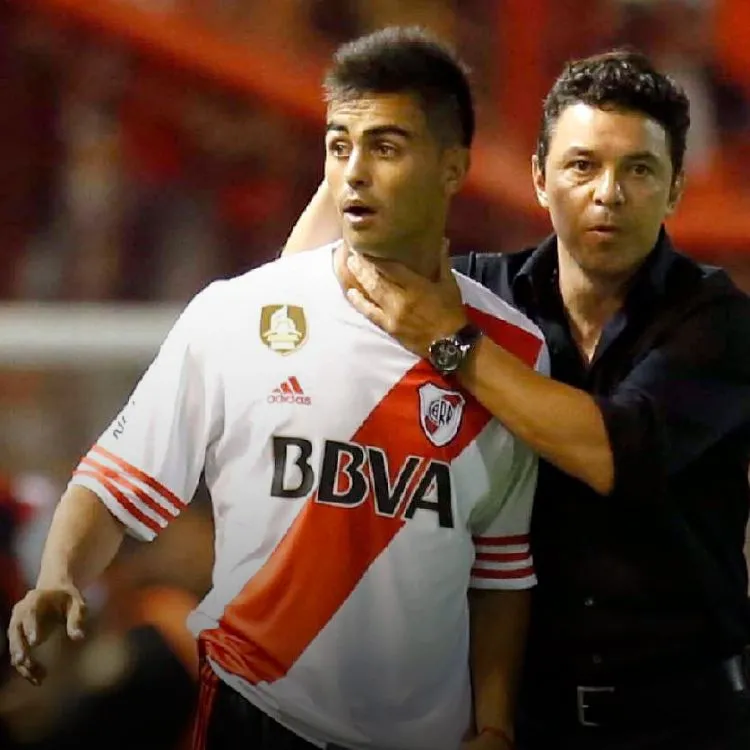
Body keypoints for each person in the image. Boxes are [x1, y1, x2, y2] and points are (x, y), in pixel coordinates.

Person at [7, 27, 549, 750]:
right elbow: (116, 478)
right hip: (251, 711)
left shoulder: (515, 353)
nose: (355, 171)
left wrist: (494, 721)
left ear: (453, 168)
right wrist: (59, 574)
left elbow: (502, 570)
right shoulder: (240, 312)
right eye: (337, 146)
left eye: (385, 148)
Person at [282, 49, 750, 749]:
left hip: (686, 720)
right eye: (582, 165)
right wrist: (364, 136)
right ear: (539, 178)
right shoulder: (483, 294)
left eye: (639, 170)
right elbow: (305, 295)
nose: (608, 193)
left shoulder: (717, 319)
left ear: (674, 190)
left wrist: (452, 343)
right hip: (515, 719)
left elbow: (610, 452)